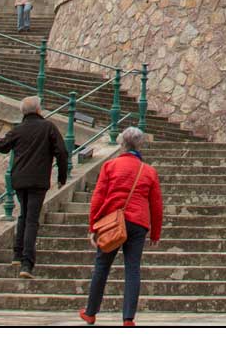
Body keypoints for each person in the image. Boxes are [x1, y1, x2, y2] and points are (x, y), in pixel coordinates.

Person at [81, 126, 164, 327]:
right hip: (138, 223)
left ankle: (91, 313)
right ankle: (128, 318)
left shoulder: (110, 166)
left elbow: (98, 197)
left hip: (111, 220)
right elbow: (156, 204)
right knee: (133, 268)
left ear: (122, 144)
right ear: (140, 145)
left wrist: (93, 226)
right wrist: (155, 233)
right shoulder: (149, 171)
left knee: (101, 266)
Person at [0, 95, 68, 278]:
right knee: (32, 219)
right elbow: (62, 152)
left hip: (19, 179)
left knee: (23, 215)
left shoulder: (19, 129)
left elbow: (2, 145)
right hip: (38, 180)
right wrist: (62, 177)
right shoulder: (48, 127)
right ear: (39, 110)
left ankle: (17, 254)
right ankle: (27, 264)